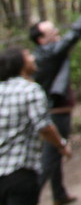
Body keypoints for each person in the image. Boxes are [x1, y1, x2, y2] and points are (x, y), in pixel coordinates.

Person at [28, 0, 81, 205]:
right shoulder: (51, 53)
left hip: (53, 109)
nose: (56, 32)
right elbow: (76, 32)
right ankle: (28, 199)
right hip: (56, 112)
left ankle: (59, 193)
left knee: (54, 154)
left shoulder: (43, 54)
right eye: (51, 31)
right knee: (52, 155)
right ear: (41, 39)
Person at [0, 47, 71, 205]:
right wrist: (61, 145)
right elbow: (45, 127)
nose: (33, 58)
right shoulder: (30, 90)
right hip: (20, 173)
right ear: (20, 64)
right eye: (28, 56)